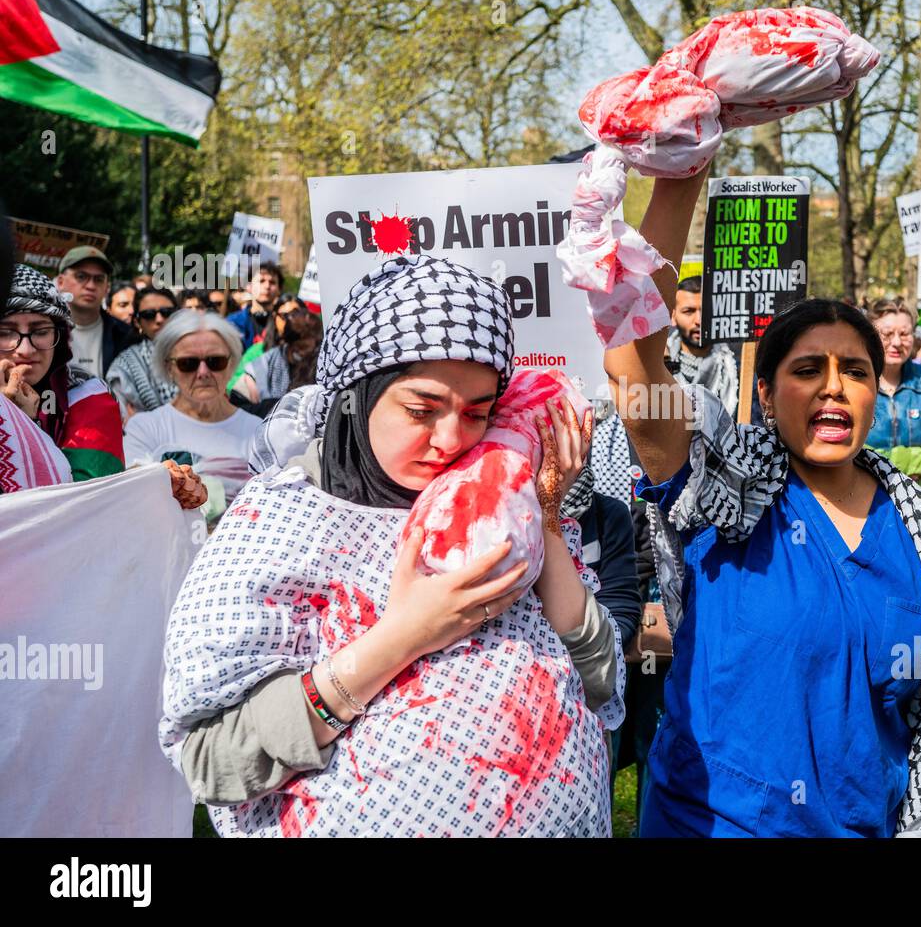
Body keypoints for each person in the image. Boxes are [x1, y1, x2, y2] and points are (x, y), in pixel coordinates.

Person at [160, 255, 622, 837]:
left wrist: (546, 516)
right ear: (358, 395)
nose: (452, 440)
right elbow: (213, 761)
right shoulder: (280, 523)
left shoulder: (497, 508)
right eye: (421, 410)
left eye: (479, 413)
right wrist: (406, 636)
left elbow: (598, 680)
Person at [604, 169, 921, 837]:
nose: (834, 389)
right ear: (765, 394)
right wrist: (677, 181)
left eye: (856, 372)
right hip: (709, 823)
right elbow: (634, 373)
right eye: (808, 371)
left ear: (879, 394)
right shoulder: (722, 491)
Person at [122, 309, 260, 510]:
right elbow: (135, 498)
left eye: (215, 362)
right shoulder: (145, 429)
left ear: (232, 365)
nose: (203, 373)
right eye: (188, 363)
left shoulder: (259, 432)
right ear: (169, 368)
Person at [1, 265, 124, 481]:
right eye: (5, 332)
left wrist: (25, 427)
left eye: (41, 332)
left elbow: (88, 499)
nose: (25, 350)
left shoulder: (88, 396)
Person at [866, 297, 921, 485]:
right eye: (887, 334)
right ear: (870, 336)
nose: (897, 342)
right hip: (867, 495)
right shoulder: (854, 381)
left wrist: (883, 459)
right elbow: (855, 454)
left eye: (905, 333)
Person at [664, 271, 739, 417]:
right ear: (673, 316)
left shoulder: (736, 368)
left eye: (706, 311)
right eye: (689, 311)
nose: (699, 320)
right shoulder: (660, 364)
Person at [55, 246, 136, 379]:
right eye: (81, 276)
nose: (91, 286)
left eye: (99, 279)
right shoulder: (43, 331)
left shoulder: (124, 335)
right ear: (60, 282)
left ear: (107, 288)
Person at [105, 286, 181, 421]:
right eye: (149, 315)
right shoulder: (124, 367)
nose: (159, 319)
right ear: (137, 322)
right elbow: (126, 422)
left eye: (167, 312)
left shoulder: (202, 351)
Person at [231, 308, 323, 416]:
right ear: (289, 344)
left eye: (311, 348)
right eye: (301, 347)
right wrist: (273, 407)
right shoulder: (263, 367)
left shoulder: (318, 365)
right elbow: (236, 410)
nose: (304, 352)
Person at [227, 262, 284, 351]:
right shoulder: (233, 323)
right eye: (261, 281)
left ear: (279, 289)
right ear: (249, 286)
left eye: (272, 282)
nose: (267, 286)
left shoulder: (285, 323)